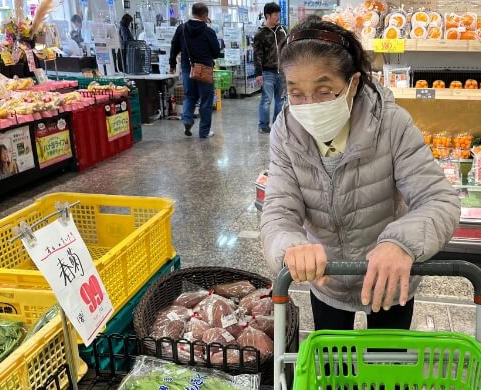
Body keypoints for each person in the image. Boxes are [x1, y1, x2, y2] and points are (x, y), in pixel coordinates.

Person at [260, 17, 460, 332]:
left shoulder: (391, 124)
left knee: (389, 372)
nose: (309, 105)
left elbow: (438, 199)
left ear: (353, 84)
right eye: (296, 93)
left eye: (324, 91)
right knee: (335, 375)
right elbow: (278, 209)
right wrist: (290, 245)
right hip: (328, 280)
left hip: (388, 277)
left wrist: (400, 243)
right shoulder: (286, 133)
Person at [169, 3, 221, 139]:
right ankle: (204, 132)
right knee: (206, 100)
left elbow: (174, 47)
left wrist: (172, 64)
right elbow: (216, 52)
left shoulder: (182, 28)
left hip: (188, 67)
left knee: (189, 95)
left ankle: (187, 120)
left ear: (192, 13)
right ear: (204, 15)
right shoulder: (208, 31)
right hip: (204, 69)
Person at [253, 3, 287, 134]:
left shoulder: (283, 30)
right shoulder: (260, 34)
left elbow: (287, 48)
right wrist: (258, 73)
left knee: (281, 101)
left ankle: (277, 125)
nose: (278, 17)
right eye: (275, 14)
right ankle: (263, 125)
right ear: (268, 15)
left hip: (282, 72)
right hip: (267, 72)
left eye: (278, 14)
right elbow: (257, 55)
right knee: (266, 100)